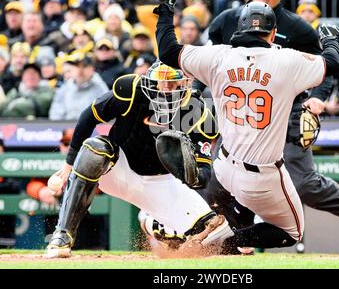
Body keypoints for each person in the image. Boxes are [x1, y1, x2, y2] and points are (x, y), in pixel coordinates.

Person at [154, 0, 339, 251]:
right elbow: (332, 64)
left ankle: (204, 231)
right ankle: (220, 244)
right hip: (262, 175)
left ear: (239, 28)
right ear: (273, 32)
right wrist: (330, 40)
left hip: (224, 166)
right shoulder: (287, 60)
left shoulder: (217, 56)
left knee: (231, 201)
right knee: (292, 232)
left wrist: (165, 9)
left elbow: (168, 51)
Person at [206, 0, 339, 251]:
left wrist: (319, 97)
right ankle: (238, 241)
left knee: (302, 183)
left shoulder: (298, 28)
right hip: (241, 113)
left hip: (288, 112)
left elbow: (327, 67)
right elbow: (211, 61)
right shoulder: (227, 21)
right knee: (218, 182)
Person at [45, 62, 230, 258]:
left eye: (173, 84)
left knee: (215, 233)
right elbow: (88, 117)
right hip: (118, 168)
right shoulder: (131, 90)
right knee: (95, 147)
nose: (166, 89)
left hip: (161, 182)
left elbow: (204, 172)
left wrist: (192, 175)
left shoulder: (200, 114)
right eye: (161, 83)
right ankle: (63, 235)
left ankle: (156, 225)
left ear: (185, 84)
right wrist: (68, 165)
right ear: (149, 82)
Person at [48, 53, 108, 120]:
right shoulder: (66, 87)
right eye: (77, 66)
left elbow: (106, 114)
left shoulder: (100, 87)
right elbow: (55, 114)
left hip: (92, 128)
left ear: (92, 69)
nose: (80, 71)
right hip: (67, 127)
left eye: (84, 66)